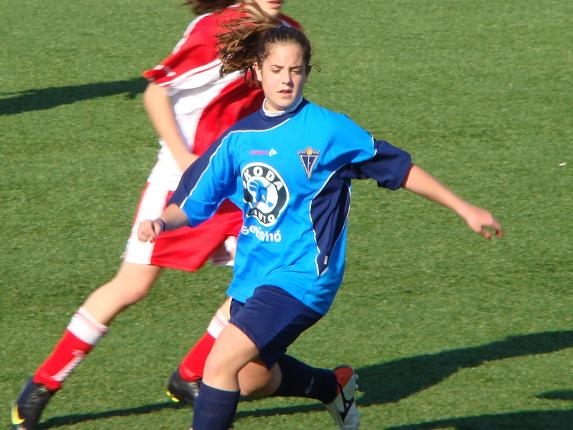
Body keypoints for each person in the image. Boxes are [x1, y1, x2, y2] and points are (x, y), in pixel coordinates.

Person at [137, 23, 503, 430]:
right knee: (251, 379)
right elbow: (193, 200)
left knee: (218, 364)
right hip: (254, 277)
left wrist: (463, 207)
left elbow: (399, 169)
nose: (286, 80)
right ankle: (331, 387)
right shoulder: (238, 139)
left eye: (295, 70)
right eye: (276, 70)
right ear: (257, 72)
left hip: (305, 275)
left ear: (306, 73)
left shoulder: (328, 130)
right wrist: (161, 221)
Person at [11, 1, 300, 429]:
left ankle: (190, 374)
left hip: (235, 184)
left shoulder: (287, 32)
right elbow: (155, 92)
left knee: (266, 274)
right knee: (132, 285)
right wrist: (186, 161)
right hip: (179, 184)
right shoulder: (215, 30)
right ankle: (41, 385)